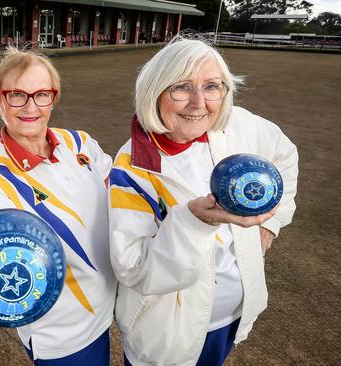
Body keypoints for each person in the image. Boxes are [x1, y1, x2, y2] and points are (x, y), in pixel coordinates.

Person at [108, 37, 298, 366]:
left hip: (233, 316)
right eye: (181, 87)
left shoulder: (237, 124)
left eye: (212, 86)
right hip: (168, 335)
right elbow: (136, 269)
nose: (199, 103)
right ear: (155, 91)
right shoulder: (133, 166)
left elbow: (284, 155)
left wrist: (269, 223)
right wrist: (194, 223)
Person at [0, 47, 116, 365]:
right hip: (65, 335)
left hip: (109, 309)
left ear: (53, 97)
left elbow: (116, 192)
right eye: (17, 95)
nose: (31, 107)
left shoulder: (79, 143)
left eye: (41, 94)